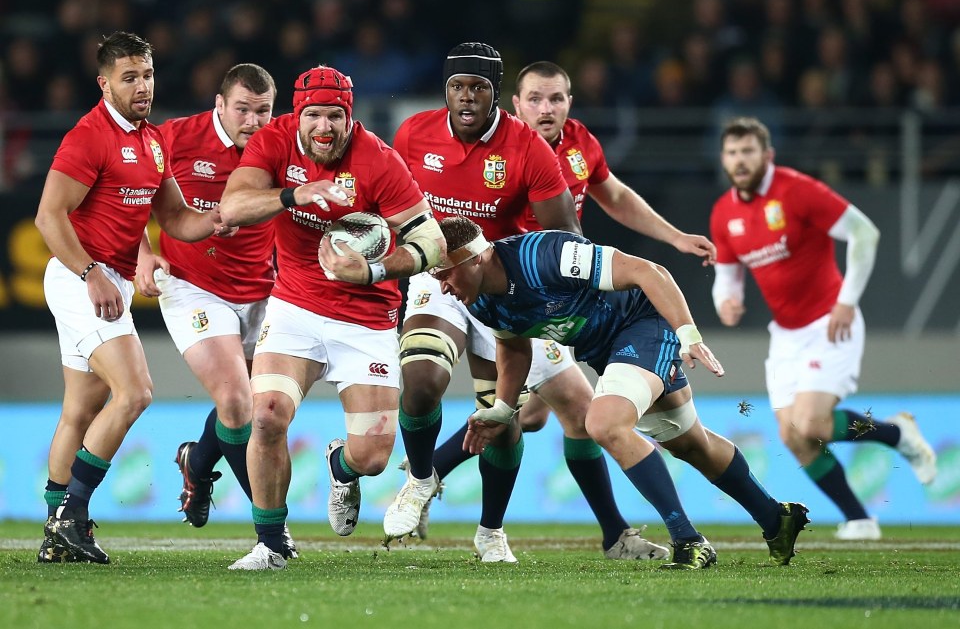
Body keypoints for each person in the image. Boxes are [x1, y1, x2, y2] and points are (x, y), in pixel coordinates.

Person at [424, 60, 718, 559]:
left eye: (556, 98)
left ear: (569, 103)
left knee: (546, 416)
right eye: (534, 98)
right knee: (564, 413)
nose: (546, 108)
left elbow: (614, 195)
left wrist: (672, 236)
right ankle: (421, 479)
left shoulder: (580, 144)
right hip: (523, 296)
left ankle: (429, 478)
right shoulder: (510, 148)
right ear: (513, 105)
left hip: (569, 292)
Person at [432, 216, 810, 569]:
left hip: (644, 323)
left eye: (446, 274)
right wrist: (502, 407)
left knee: (603, 422)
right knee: (688, 442)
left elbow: (648, 271)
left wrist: (687, 333)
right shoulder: (479, 301)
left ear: (477, 258)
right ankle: (775, 518)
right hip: (605, 351)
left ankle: (688, 540)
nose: (443, 286)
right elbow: (513, 347)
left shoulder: (545, 255)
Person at [217, 64, 445, 570]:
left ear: (350, 116)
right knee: (267, 413)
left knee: (373, 458)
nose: (324, 127)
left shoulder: (379, 162)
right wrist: (292, 194)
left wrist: (372, 269)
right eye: (313, 115)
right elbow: (231, 207)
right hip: (296, 304)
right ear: (296, 116)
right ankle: (271, 545)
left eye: (335, 116)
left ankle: (341, 469)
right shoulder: (275, 142)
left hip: (367, 315)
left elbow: (431, 239)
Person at [382, 42, 596, 563]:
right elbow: (388, 202)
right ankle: (420, 478)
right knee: (420, 382)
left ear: (495, 93)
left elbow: (566, 234)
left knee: (503, 421)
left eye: (478, 87)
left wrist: (547, 300)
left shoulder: (527, 147)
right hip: (440, 279)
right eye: (458, 87)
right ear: (446, 91)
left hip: (502, 289)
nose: (467, 97)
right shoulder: (414, 133)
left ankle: (490, 530)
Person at [34, 31, 233, 564]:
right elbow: (48, 216)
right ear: (104, 84)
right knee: (137, 391)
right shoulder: (88, 137)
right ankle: (72, 514)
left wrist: (218, 221)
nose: (142, 86)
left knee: (81, 408)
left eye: (146, 74)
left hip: (109, 279)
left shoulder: (152, 140)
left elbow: (173, 218)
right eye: (129, 77)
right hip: (82, 279)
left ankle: (57, 533)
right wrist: (92, 272)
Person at [709, 117, 937, 541]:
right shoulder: (724, 213)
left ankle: (897, 434)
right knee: (794, 436)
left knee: (811, 423)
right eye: (732, 153)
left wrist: (847, 302)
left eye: (748, 151)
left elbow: (865, 233)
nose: (739, 161)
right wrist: (725, 300)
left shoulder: (797, 190)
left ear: (768, 155)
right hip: (786, 336)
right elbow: (727, 275)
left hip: (829, 321)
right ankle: (860, 518)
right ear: (723, 159)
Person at [133, 64, 298, 559]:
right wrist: (142, 253)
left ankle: (197, 462)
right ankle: (273, 533)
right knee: (235, 400)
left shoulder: (285, 143)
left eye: (263, 110)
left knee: (258, 407)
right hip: (193, 286)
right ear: (219, 105)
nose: (253, 120)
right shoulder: (174, 139)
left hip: (264, 290)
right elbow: (123, 196)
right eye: (242, 109)